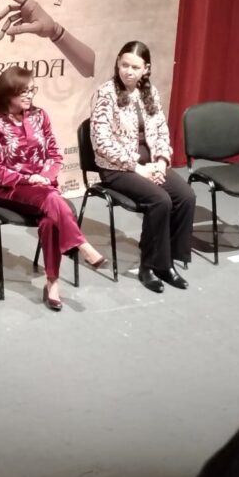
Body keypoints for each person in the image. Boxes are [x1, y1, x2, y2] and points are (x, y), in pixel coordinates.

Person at [0, 66, 108, 311]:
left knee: (50, 220)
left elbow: (55, 155)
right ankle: (82, 245)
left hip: (44, 188)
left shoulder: (40, 115)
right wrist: (30, 179)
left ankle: (52, 283)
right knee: (52, 201)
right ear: (8, 93)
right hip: (9, 189)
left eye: (31, 90)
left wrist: (45, 176)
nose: (29, 96)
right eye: (23, 91)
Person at [90, 41, 195, 293]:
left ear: (145, 69)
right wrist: (138, 168)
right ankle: (149, 266)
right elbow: (101, 142)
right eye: (124, 65)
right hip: (117, 168)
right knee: (160, 200)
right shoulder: (105, 93)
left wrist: (161, 162)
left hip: (150, 163)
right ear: (117, 63)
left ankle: (167, 262)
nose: (128, 71)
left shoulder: (151, 93)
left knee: (185, 196)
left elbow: (161, 131)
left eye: (135, 67)